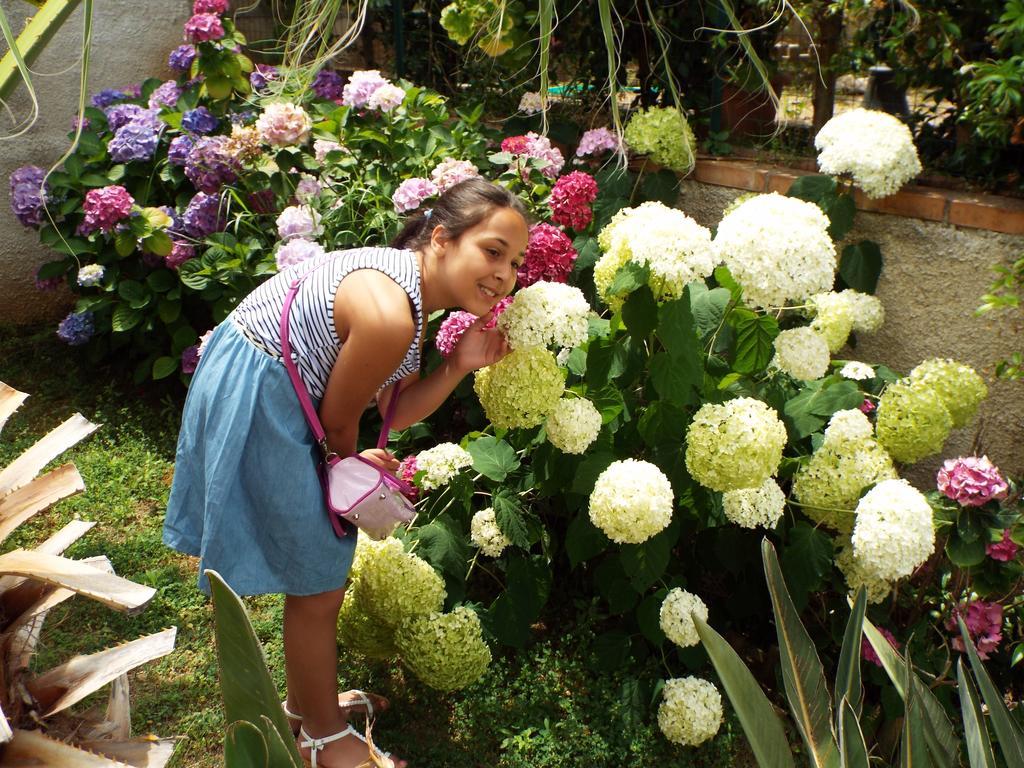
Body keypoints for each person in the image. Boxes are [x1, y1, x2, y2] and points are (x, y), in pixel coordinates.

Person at [163, 178, 530, 768]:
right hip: (262, 392)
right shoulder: (391, 315)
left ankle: (307, 708)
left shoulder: (406, 287)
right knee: (319, 579)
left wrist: (460, 363)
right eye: (492, 251)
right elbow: (339, 419)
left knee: (319, 570)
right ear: (441, 237)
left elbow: (394, 409)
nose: (504, 273)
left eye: (514, 262)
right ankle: (324, 740)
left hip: (267, 383)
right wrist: (348, 462)